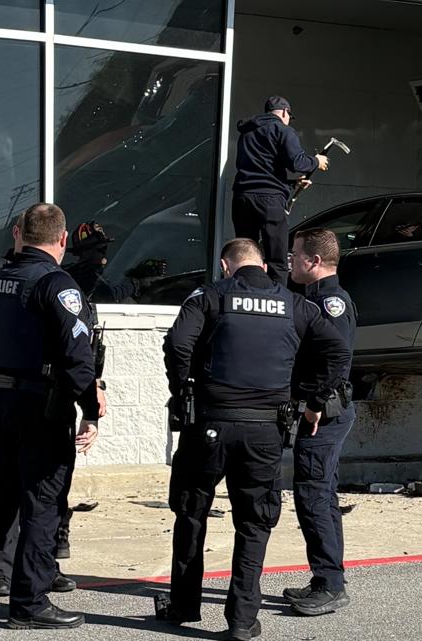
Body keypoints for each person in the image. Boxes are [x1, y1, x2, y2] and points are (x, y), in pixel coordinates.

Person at [160, 238, 349, 640]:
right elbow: (337, 351)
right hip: (265, 431)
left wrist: (184, 390)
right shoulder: (295, 305)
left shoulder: (210, 296)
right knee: (253, 523)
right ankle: (242, 620)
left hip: (208, 425)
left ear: (227, 266)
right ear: (262, 266)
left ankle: (183, 605)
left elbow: (177, 343)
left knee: (192, 513)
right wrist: (309, 398)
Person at [0, 203, 100, 629]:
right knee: (43, 504)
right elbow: (77, 357)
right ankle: (30, 604)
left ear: (21, 233)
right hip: (40, 405)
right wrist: (91, 409)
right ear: (63, 239)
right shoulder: (57, 283)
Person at [282, 229, 358, 616]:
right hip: (322, 413)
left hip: (323, 416)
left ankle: (329, 584)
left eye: (295, 254)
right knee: (321, 494)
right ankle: (326, 579)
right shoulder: (312, 299)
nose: (290, 260)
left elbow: (337, 359)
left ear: (314, 261)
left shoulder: (330, 303)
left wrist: (313, 405)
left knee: (312, 495)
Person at [231, 95, 329, 285]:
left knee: (245, 254)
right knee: (276, 257)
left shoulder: (247, 132)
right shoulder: (283, 130)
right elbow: (297, 162)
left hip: (242, 198)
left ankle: (242, 293)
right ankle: (277, 301)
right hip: (270, 201)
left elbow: (261, 169)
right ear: (285, 112)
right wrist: (317, 160)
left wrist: (292, 184)